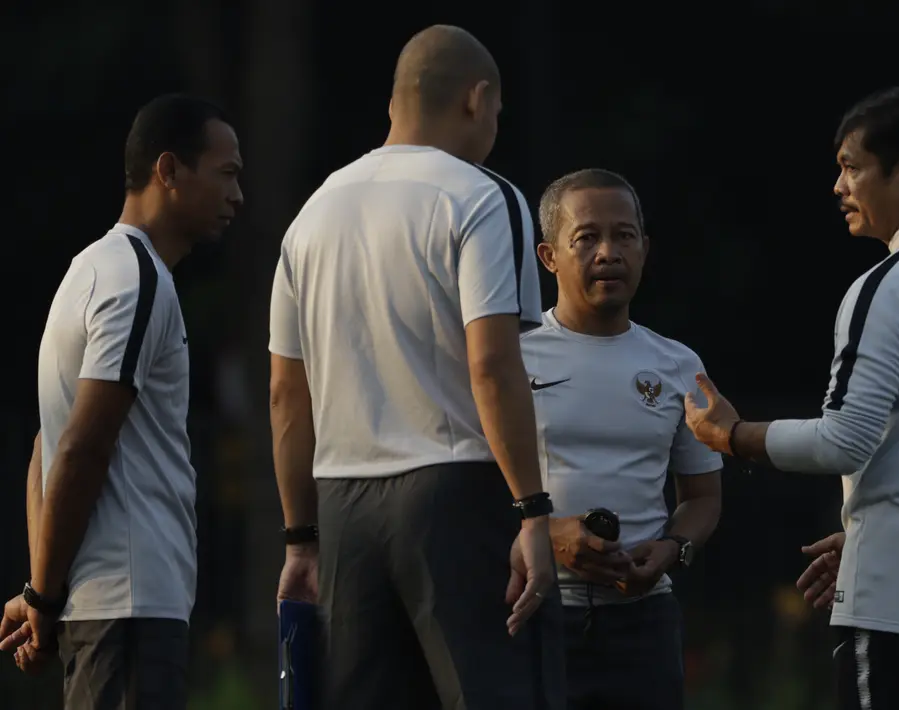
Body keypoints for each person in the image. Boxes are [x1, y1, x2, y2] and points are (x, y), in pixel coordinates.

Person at [684, 87, 899, 710]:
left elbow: (843, 438)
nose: (838, 185)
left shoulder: (890, 283)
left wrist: (732, 436)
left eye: (851, 166)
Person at [267, 25, 564, 709]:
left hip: (341, 501)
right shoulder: (481, 197)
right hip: (454, 491)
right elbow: (492, 365)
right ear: (477, 98)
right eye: (496, 111)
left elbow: (287, 394)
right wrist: (531, 513)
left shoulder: (310, 217)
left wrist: (300, 541)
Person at [0, 93, 244, 709]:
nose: (238, 197)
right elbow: (79, 450)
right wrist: (43, 597)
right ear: (168, 170)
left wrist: (41, 590)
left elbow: (44, 451)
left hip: (102, 606)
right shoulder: (136, 278)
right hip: (130, 605)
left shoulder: (87, 271)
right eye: (227, 174)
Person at [522, 168, 723, 710]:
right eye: (586, 238)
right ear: (549, 257)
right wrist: (546, 532)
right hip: (531, 611)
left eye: (624, 236)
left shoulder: (680, 365)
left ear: (645, 248)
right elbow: (465, 488)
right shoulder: (509, 359)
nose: (608, 252)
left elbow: (702, 499)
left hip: (644, 621)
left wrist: (671, 549)